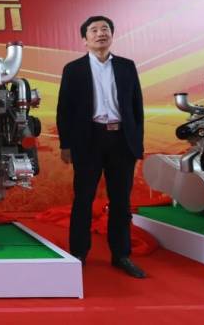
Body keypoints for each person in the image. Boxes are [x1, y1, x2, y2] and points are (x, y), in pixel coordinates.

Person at [56, 16, 146, 278]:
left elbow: (136, 107)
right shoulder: (74, 69)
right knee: (83, 199)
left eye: (105, 29)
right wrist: (65, 144)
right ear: (84, 39)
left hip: (121, 140)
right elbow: (64, 110)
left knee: (121, 201)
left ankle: (121, 255)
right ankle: (78, 254)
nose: (100, 33)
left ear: (112, 35)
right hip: (89, 140)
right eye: (93, 30)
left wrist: (136, 143)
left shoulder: (127, 66)